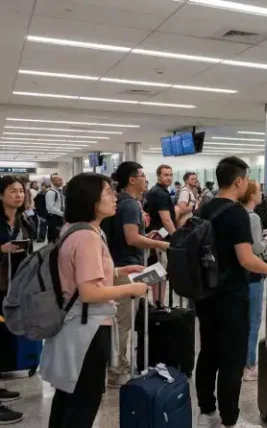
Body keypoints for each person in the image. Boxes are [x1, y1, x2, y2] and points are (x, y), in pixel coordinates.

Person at [40, 172, 148, 428]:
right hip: (86, 328)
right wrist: (132, 290)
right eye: (108, 193)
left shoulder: (75, 230)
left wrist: (119, 272)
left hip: (74, 324)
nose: (115, 197)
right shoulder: (87, 236)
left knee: (68, 396)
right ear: (91, 199)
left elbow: (80, 275)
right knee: (84, 401)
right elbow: (89, 293)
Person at [195, 157, 267, 428]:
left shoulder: (205, 207)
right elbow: (246, 258)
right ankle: (230, 419)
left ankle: (206, 412)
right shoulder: (237, 214)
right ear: (238, 181)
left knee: (208, 351)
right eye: (245, 179)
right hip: (231, 294)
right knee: (232, 357)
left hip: (204, 291)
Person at [105, 162, 170, 388]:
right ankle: (117, 371)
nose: (145, 179)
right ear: (132, 179)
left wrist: (147, 235)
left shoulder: (119, 202)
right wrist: (160, 245)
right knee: (123, 322)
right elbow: (132, 239)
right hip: (127, 269)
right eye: (142, 175)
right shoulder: (131, 205)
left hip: (118, 265)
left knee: (122, 320)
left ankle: (119, 365)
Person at [0, 176, 36, 425]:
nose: (18, 195)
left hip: (15, 287)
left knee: (4, 335)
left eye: (21, 191)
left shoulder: (24, 220)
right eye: (12, 191)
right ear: (1, 195)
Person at [238, 180, 267, 382]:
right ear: (252, 195)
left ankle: (242, 361)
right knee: (253, 321)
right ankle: (250, 364)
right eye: (259, 190)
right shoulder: (253, 218)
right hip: (253, 275)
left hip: (239, 276)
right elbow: (255, 249)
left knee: (243, 321)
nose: (261, 193)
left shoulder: (237, 214)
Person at [144, 165, 176, 304]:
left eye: (170, 175)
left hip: (155, 236)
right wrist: (176, 237)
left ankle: (158, 302)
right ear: (158, 176)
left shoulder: (156, 191)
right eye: (165, 175)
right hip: (160, 237)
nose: (169, 177)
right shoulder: (160, 193)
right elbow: (166, 220)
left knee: (157, 271)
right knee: (160, 271)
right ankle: (159, 304)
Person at [45, 174, 65, 242]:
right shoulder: (50, 193)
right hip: (54, 218)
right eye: (60, 180)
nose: (62, 181)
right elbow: (50, 208)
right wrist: (62, 214)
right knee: (53, 238)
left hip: (60, 218)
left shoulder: (59, 192)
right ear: (53, 181)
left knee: (59, 237)